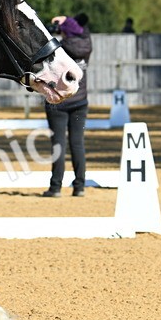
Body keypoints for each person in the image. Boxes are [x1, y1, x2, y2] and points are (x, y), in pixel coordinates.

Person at [42, 13, 93, 197]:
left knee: (58, 144)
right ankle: (79, 186)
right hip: (80, 102)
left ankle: (55, 187)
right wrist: (68, 21)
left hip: (59, 103)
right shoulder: (87, 43)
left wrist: (58, 26)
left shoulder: (59, 49)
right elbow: (83, 26)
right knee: (78, 144)